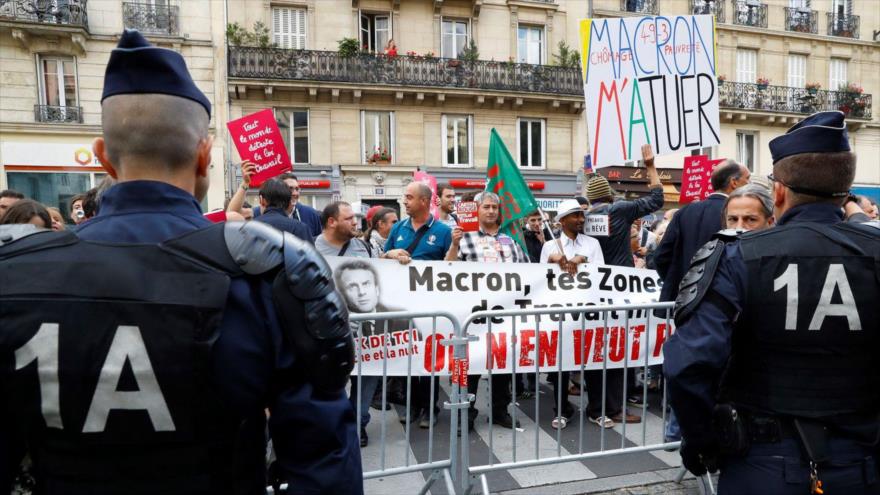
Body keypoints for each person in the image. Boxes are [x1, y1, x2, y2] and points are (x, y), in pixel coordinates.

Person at [0, 30, 362, 494]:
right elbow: (324, 462)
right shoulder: (267, 274)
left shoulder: (14, 274)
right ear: (204, 155)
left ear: (103, 159)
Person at [664, 111, 880, 494]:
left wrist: (702, 444)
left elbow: (689, 365)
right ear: (846, 192)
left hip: (761, 462)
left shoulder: (736, 257)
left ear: (778, 192)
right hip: (861, 460)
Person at [538, 199, 625, 429]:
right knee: (561, 365)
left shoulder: (593, 244)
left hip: (589, 313)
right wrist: (551, 260)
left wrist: (582, 259)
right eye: (575, 216)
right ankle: (562, 409)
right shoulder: (550, 246)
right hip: (561, 314)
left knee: (594, 362)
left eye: (581, 215)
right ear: (562, 220)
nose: (580, 220)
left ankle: (596, 410)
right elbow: (538, 279)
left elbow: (601, 273)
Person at [445, 191, 529, 431]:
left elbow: (528, 271)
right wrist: (453, 244)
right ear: (477, 210)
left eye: (495, 207)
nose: (491, 211)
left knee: (502, 364)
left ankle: (500, 411)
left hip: (503, 315)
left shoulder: (510, 241)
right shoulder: (464, 238)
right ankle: (466, 414)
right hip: (473, 314)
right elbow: (446, 269)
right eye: (486, 207)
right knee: (470, 365)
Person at [383, 181, 452, 428]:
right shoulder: (399, 228)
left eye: (409, 197)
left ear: (424, 201)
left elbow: (451, 267)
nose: (404, 200)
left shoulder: (443, 231)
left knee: (428, 357)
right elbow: (382, 256)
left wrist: (454, 246)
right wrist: (390, 254)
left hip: (430, 304)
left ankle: (429, 408)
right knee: (409, 355)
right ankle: (412, 405)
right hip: (401, 304)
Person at [654, 159, 751, 303]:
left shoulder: (684, 212)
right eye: (748, 178)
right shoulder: (740, 216)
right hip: (722, 303)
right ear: (734, 182)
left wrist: (679, 281)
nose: (750, 184)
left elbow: (661, 257)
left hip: (682, 303)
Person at [253, 178, 313, 243]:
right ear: (288, 200)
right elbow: (309, 252)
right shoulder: (300, 228)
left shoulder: (250, 228)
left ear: (261, 200)